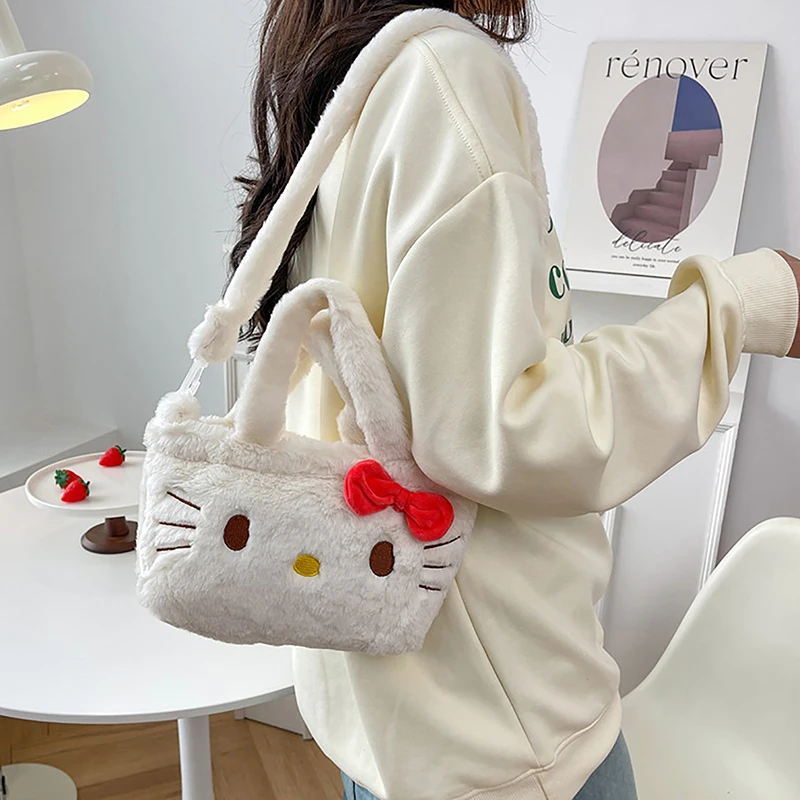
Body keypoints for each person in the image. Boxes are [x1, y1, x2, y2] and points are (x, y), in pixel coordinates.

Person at [227, 2, 800, 799]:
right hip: (504, 736)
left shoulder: (354, 70)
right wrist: (738, 304)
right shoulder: (446, 76)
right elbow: (504, 430)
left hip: (394, 710)